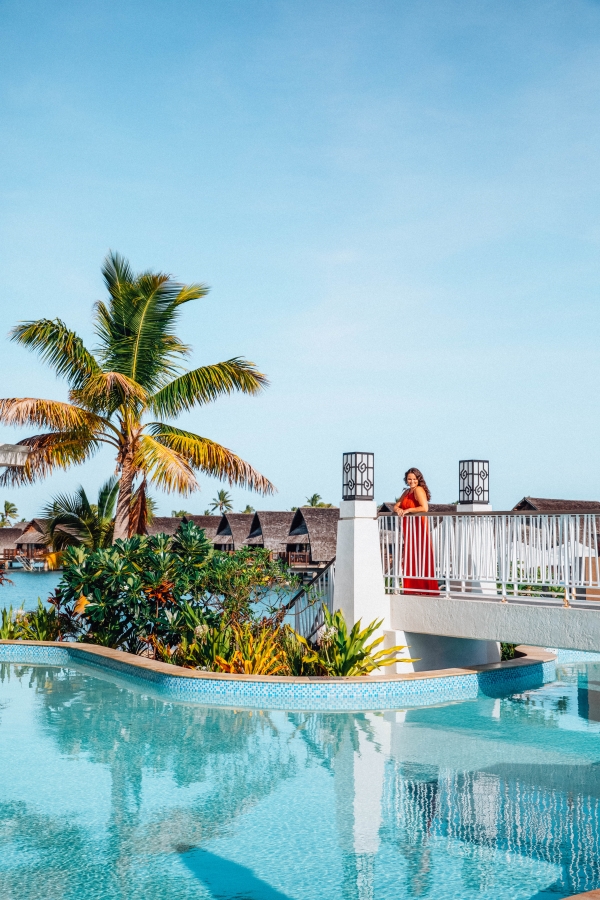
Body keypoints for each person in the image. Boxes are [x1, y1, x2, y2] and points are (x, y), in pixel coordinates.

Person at [393, 468, 438, 596]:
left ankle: (424, 588)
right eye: (409, 479)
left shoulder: (418, 490)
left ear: (418, 479)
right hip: (409, 527)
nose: (411, 481)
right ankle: (413, 588)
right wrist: (398, 510)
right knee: (411, 555)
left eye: (414, 479)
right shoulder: (407, 491)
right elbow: (397, 505)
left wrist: (407, 510)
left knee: (420, 554)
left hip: (419, 526)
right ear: (406, 480)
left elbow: (424, 508)